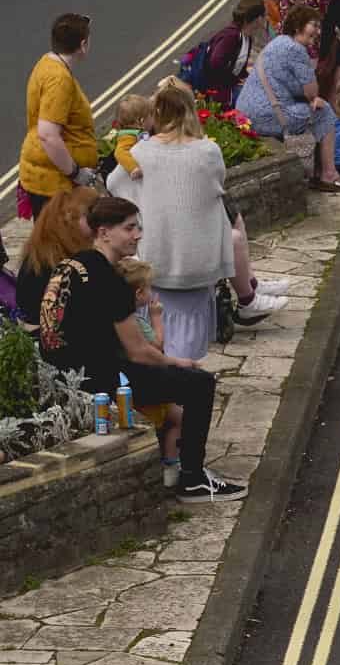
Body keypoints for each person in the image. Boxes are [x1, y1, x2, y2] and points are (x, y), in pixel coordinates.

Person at [36, 196, 248, 503]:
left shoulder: (71, 264)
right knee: (199, 384)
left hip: (58, 376)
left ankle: (175, 463)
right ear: (104, 232)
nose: (138, 235)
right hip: (97, 382)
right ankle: (193, 479)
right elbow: (138, 351)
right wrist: (179, 362)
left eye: (138, 227)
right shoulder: (111, 281)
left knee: (173, 386)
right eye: (129, 228)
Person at [119, 86, 239, 361]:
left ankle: (171, 387)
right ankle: (184, 384)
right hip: (198, 260)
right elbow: (217, 184)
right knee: (191, 331)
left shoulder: (141, 152)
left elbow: (116, 183)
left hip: (157, 255)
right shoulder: (208, 151)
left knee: (161, 322)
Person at [235, 5, 340, 191]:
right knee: (325, 112)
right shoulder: (295, 49)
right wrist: (314, 98)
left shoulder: (279, 42)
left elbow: (292, 87)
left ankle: (315, 171)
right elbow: (312, 91)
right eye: (313, 25)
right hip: (265, 114)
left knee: (311, 109)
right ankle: (328, 175)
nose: (318, 31)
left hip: (247, 112)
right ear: (298, 27)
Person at [20, 14, 102, 216]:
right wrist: (75, 172)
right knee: (62, 245)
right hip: (55, 184)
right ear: (83, 45)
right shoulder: (59, 79)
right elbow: (48, 134)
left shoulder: (46, 63)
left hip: (46, 176)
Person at [117, 257, 186, 487]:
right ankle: (170, 466)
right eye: (148, 288)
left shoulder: (116, 318)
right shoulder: (137, 322)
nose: (151, 292)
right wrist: (156, 317)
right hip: (147, 385)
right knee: (177, 418)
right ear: (138, 294)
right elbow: (155, 346)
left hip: (126, 386)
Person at [17, 187, 100, 331]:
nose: (98, 224)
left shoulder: (44, 249)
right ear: (69, 219)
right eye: (91, 217)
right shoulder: (61, 261)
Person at [199, 0, 271, 108]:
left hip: (228, 88)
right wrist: (233, 80)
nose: (267, 18)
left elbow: (238, 67)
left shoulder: (247, 36)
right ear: (257, 19)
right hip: (218, 93)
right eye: (264, 15)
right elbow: (215, 63)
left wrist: (247, 78)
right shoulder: (231, 36)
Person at [105, 95, 153, 182]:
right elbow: (119, 152)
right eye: (151, 115)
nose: (153, 118)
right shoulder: (127, 137)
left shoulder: (141, 131)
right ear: (141, 121)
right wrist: (133, 168)